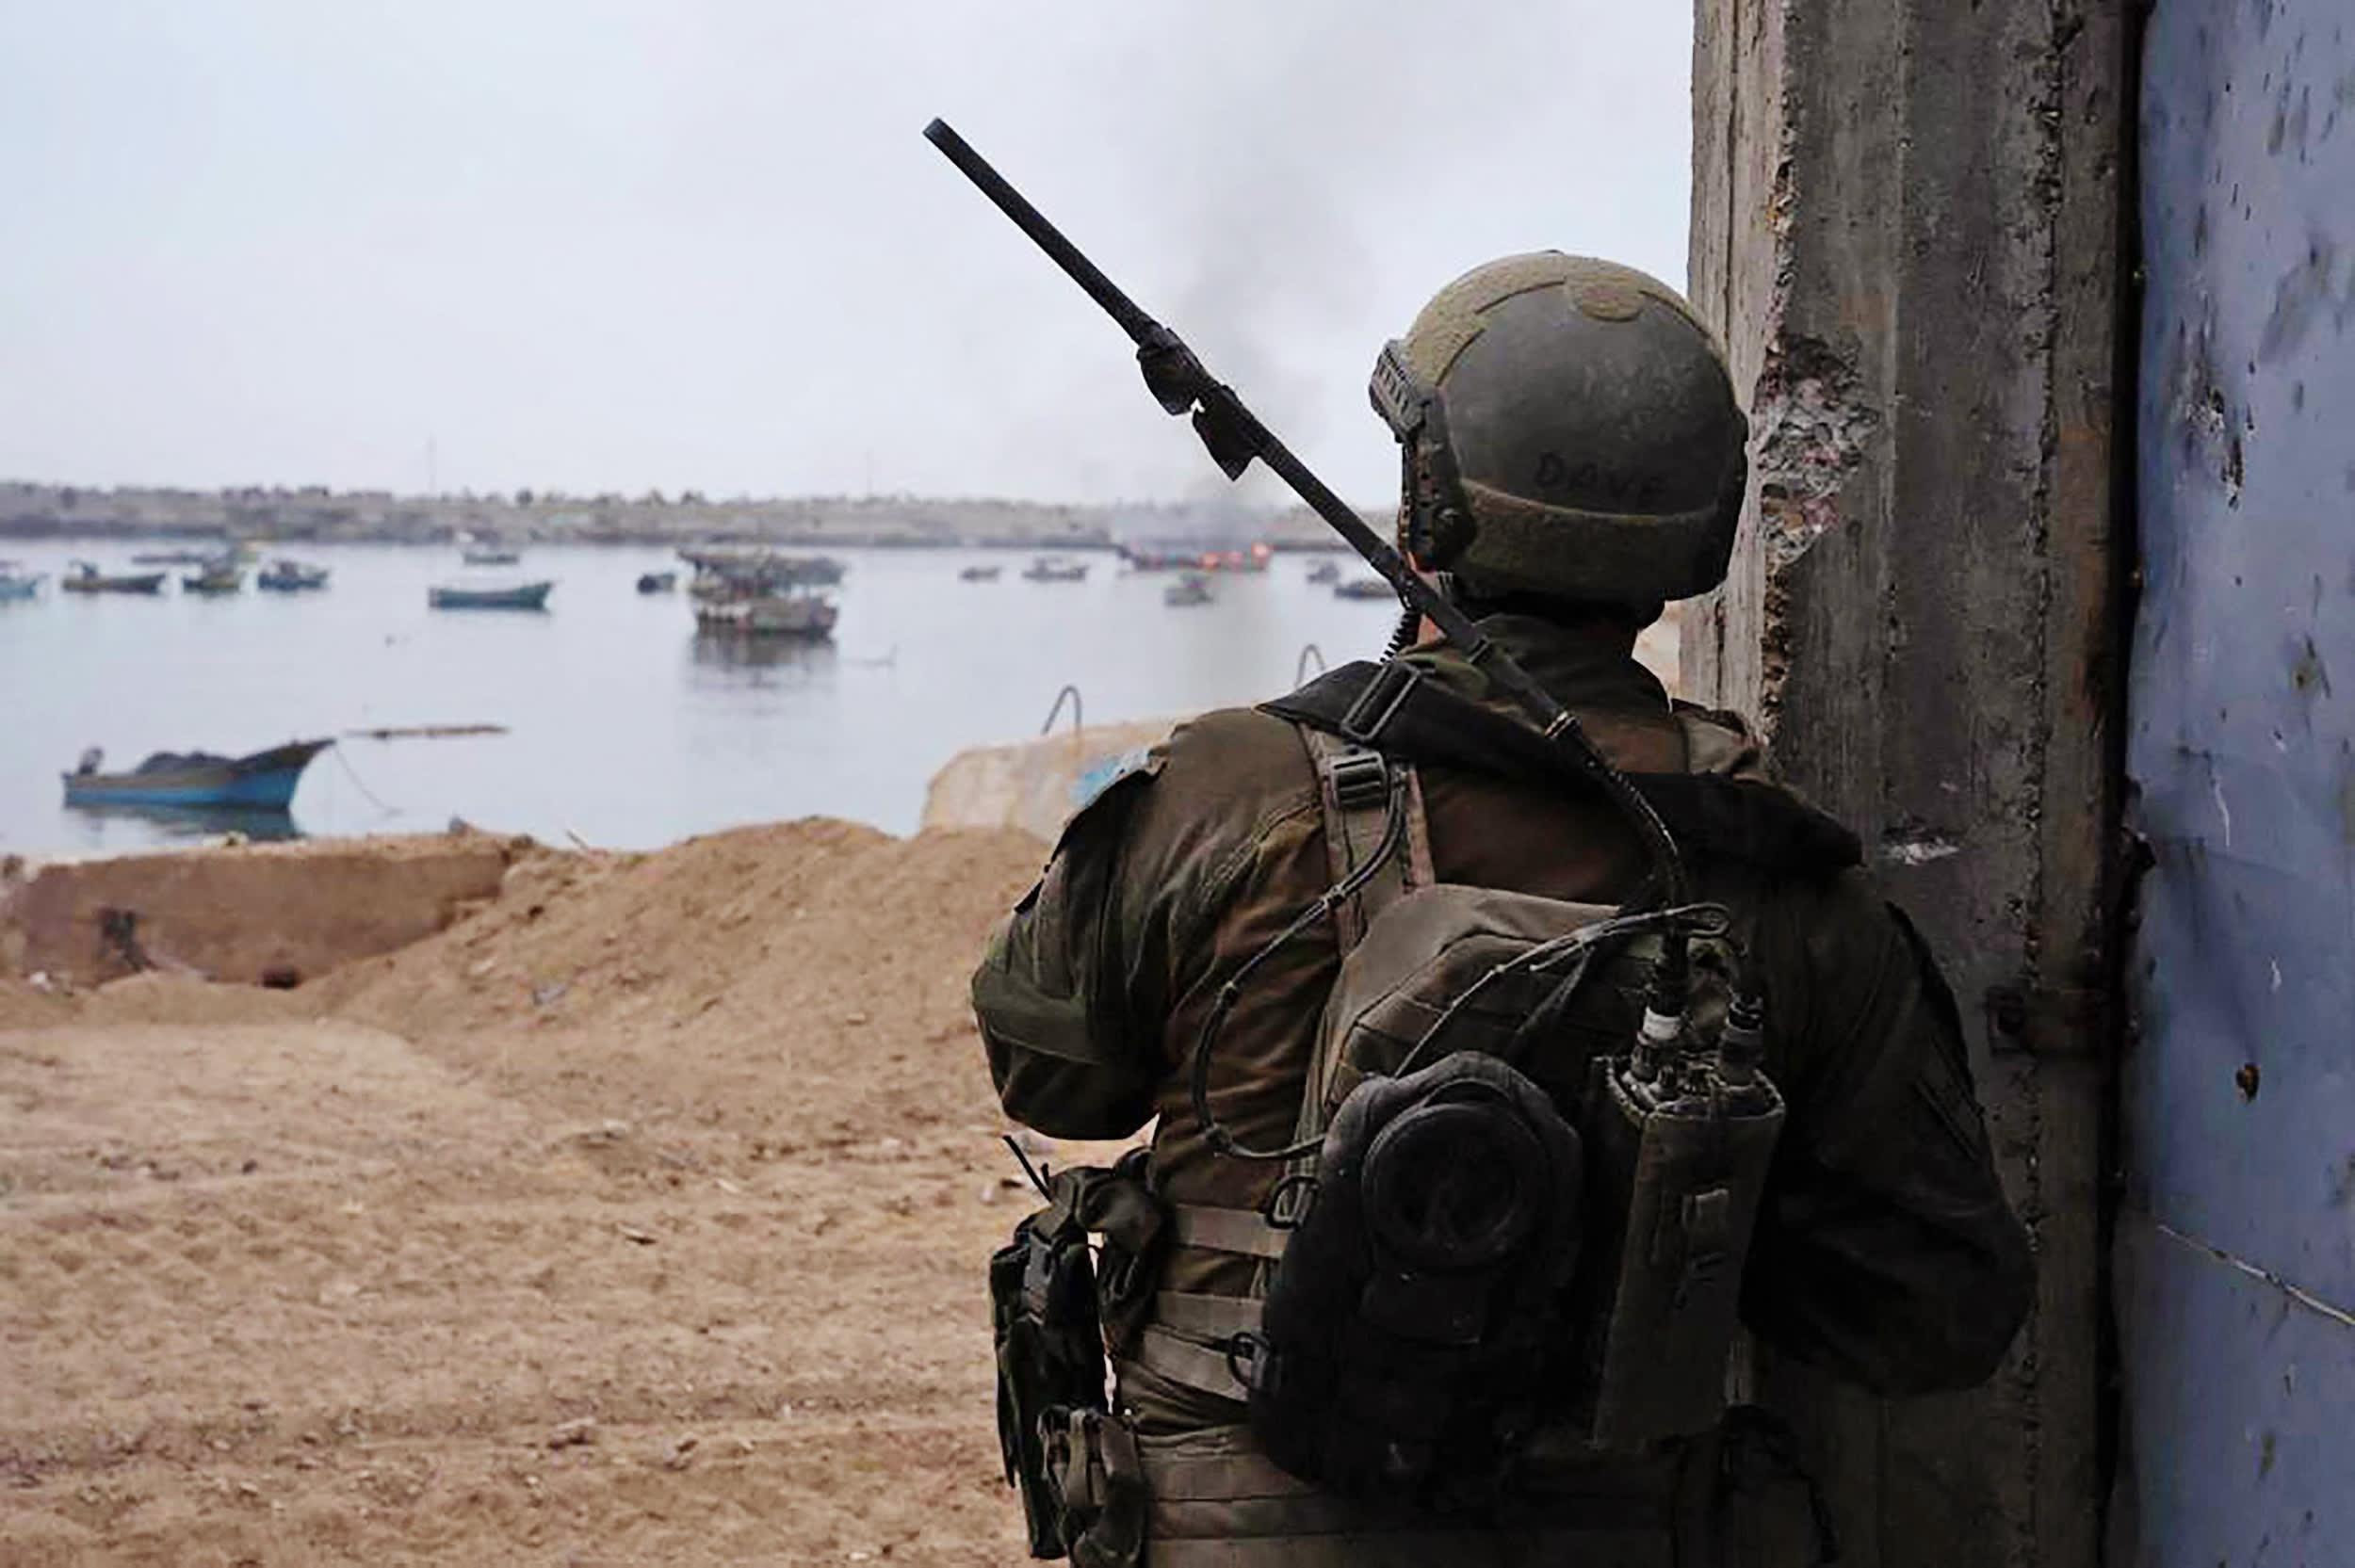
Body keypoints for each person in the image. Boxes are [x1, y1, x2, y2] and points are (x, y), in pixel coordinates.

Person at [971, 253, 2033, 1566]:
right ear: (1693, 540)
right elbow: (1937, 1309)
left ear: (1428, 507)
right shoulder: (1778, 874)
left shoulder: (1233, 785)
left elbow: (1046, 1068)